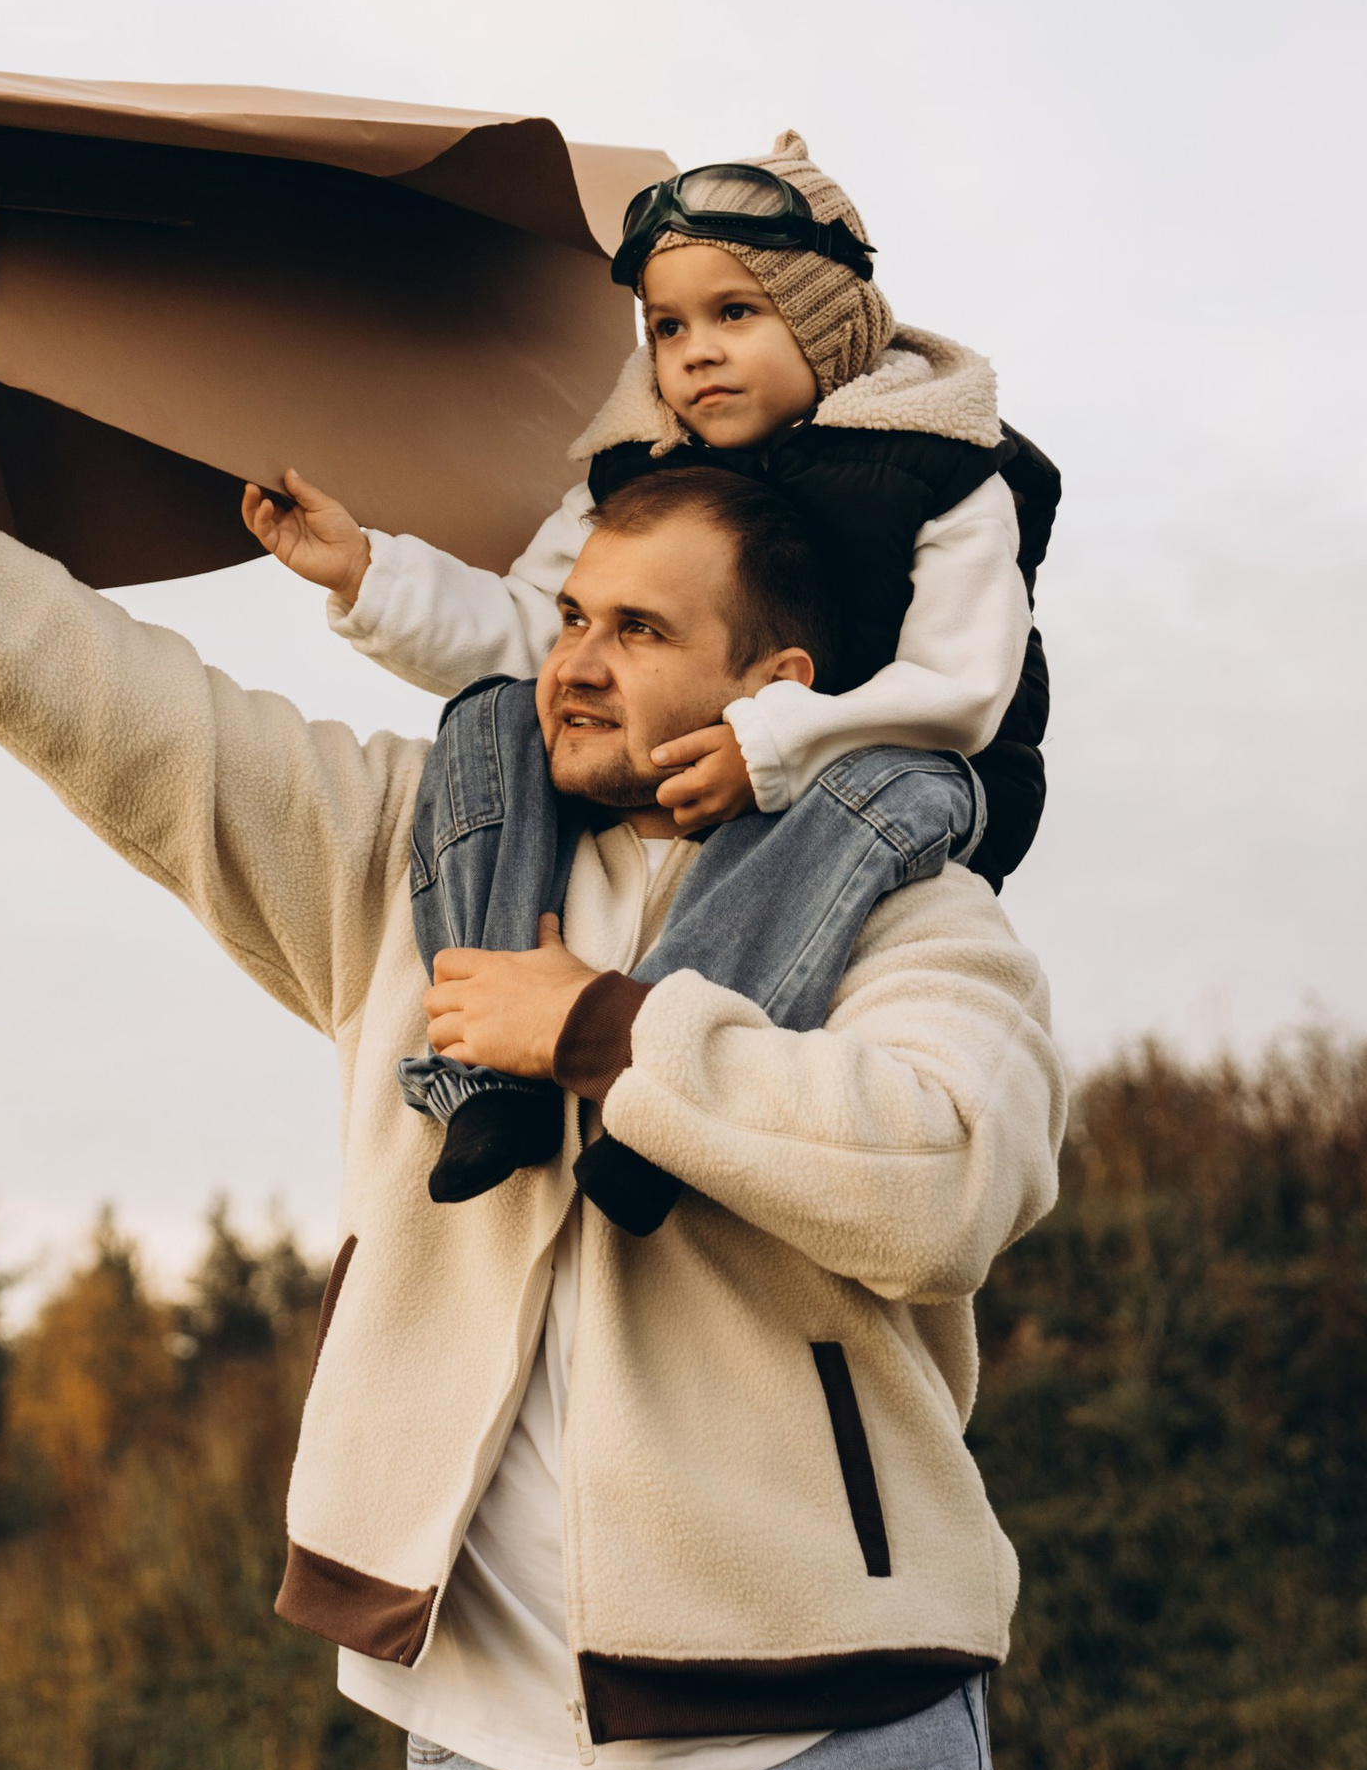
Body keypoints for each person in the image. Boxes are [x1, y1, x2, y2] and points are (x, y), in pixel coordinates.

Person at [0, 298, 1063, 1770]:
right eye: (570, 617)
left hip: (834, 1769)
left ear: (771, 682)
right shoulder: (416, 855)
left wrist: (608, 1039)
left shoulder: (919, 911)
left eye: (639, 632)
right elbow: (134, 720)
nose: (571, 662)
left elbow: (946, 1179)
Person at [242, 134, 1059, 1223]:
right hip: (691, 757)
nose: (695, 353)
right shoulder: (636, 470)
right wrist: (367, 574)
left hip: (902, 766)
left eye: (736, 315)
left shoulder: (942, 466)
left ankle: (661, 1100)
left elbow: (962, 689)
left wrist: (772, 746)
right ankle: (489, 1077)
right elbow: (534, 633)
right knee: (492, 716)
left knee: (871, 788)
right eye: (668, 327)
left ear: (825, 325)